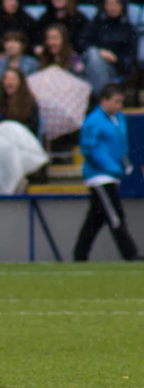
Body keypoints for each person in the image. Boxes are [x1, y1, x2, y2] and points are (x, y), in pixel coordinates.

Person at [73, 83, 139, 261]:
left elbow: (121, 145)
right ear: (104, 100)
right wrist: (110, 167)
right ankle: (130, 254)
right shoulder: (94, 121)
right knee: (115, 215)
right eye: (116, 102)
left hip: (112, 174)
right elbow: (89, 148)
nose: (119, 106)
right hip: (100, 176)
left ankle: (80, 254)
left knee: (95, 218)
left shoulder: (118, 119)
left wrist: (124, 164)